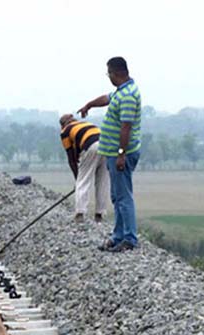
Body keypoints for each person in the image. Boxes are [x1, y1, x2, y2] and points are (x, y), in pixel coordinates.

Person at [78, 57, 142, 252]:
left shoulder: (129, 96)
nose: (109, 78)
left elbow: (126, 127)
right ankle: (118, 235)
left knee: (123, 197)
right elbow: (107, 98)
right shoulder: (120, 92)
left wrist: (121, 154)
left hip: (121, 153)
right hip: (113, 153)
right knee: (116, 196)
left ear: (117, 73)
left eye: (109, 74)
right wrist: (89, 104)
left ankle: (129, 238)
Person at [59, 114, 109, 223]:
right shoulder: (87, 124)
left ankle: (80, 213)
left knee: (83, 181)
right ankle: (99, 214)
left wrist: (77, 180)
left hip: (91, 146)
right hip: (107, 146)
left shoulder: (65, 131)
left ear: (63, 125)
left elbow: (71, 159)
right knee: (102, 181)